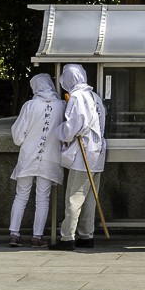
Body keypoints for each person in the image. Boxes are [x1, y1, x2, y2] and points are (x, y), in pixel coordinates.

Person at [7, 72, 64, 247]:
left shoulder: (30, 105)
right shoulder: (61, 105)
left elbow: (17, 136)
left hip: (28, 157)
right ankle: (37, 237)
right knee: (43, 198)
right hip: (50, 159)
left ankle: (14, 234)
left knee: (21, 196)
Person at [55, 63, 107, 249]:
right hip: (98, 151)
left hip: (83, 152)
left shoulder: (77, 96)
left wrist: (59, 132)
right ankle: (86, 236)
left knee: (74, 197)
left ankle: (67, 237)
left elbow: (75, 125)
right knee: (90, 197)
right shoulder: (94, 96)